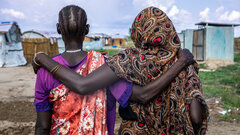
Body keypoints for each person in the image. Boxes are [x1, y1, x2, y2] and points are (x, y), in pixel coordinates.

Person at [33, 6, 205, 135]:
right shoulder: (104, 65)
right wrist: (180, 63)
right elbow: (143, 95)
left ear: (57, 29)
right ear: (87, 30)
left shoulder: (45, 71)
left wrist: (41, 58)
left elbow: (42, 126)